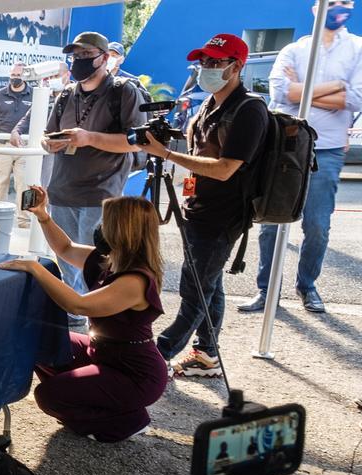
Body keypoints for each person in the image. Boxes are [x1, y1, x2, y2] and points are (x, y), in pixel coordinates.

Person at [0, 186, 167, 443]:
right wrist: (43, 215)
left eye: (106, 222)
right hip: (103, 353)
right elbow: (64, 248)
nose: (100, 227)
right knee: (40, 339)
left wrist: (35, 269)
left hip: (135, 373)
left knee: (49, 397)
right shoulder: (111, 260)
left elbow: (78, 305)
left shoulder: (135, 280)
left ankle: (128, 421)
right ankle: (102, 398)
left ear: (123, 231)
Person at [141, 34, 268, 378]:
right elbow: (200, 154)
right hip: (199, 206)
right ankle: (207, 354)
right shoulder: (209, 104)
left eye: (215, 62)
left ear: (237, 67)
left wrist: (165, 154)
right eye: (203, 62)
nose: (206, 69)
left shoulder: (249, 109)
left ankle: (159, 354)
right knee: (208, 284)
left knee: (195, 286)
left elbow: (227, 168)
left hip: (224, 213)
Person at [240, 0, 362, 314]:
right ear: (316, 8)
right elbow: (281, 92)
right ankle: (266, 290)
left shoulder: (358, 49)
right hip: (287, 146)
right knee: (270, 222)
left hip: (329, 149)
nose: (339, 8)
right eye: (332, 3)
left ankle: (307, 286)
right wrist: (337, 88)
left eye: (345, 2)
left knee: (318, 226)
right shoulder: (294, 50)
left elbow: (358, 97)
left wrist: (304, 90)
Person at [44, 31, 147, 329]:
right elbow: (47, 134)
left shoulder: (122, 92)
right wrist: (49, 143)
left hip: (101, 193)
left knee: (97, 264)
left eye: (86, 55)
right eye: (75, 56)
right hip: (62, 189)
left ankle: (99, 324)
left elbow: (136, 142)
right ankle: (73, 321)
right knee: (65, 262)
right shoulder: (66, 94)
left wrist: (90, 138)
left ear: (105, 58)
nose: (79, 61)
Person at [0, 62, 34, 228]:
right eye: (13, 75)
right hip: (2, 145)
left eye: (19, 75)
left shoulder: (34, 95)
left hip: (25, 146)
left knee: (25, 183)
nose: (15, 78)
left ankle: (24, 221)